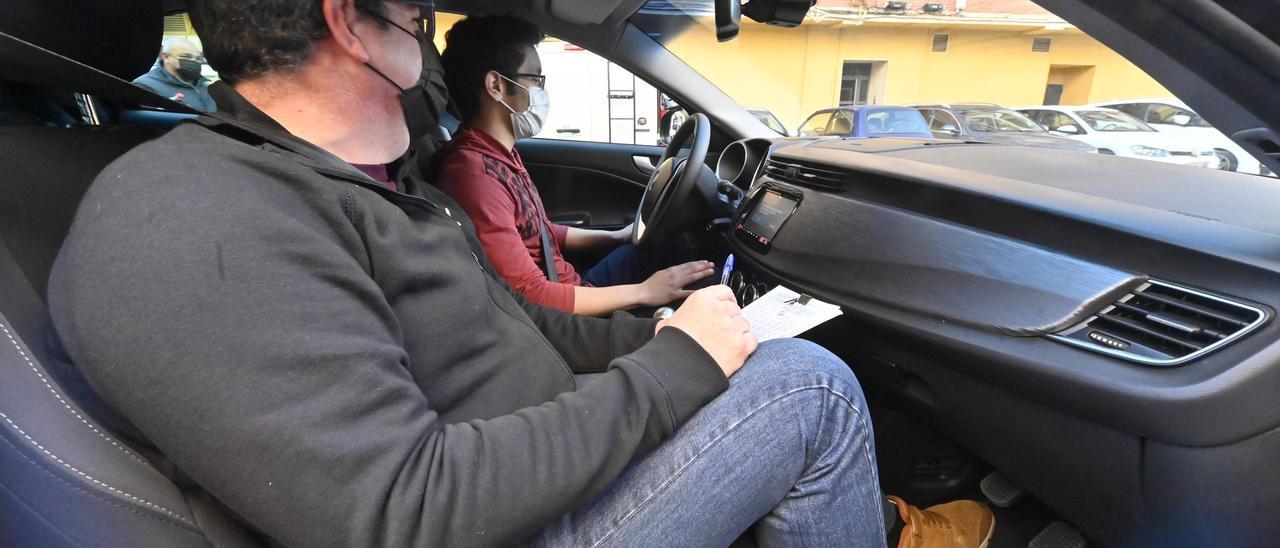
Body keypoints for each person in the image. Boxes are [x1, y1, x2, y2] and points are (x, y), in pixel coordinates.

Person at [46, 0, 992, 546]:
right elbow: (398, 511)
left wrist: (659, 337)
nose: (427, 44)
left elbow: (515, 324)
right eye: (418, 13)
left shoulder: (374, 184)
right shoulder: (192, 213)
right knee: (807, 392)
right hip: (502, 529)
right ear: (354, 24)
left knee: (756, 359)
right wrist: (674, 374)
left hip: (533, 474)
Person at [435, 15, 715, 316]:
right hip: (568, 314)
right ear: (496, 85)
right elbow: (531, 296)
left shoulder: (498, 155)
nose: (541, 91)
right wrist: (645, 292)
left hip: (574, 285)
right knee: (687, 266)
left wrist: (616, 236)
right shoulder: (475, 175)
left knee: (667, 242)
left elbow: (538, 232)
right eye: (535, 79)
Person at [132, 37, 218, 112]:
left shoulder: (207, 85)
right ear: (166, 57)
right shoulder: (145, 86)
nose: (194, 61)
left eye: (198, 58)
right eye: (186, 56)